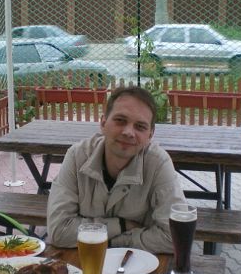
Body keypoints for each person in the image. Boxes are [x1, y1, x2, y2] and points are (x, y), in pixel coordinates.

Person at [47, 86, 187, 253]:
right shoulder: (77, 156)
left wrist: (113, 241)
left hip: (138, 264)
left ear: (150, 135)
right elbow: (58, 231)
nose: (128, 132)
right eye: (120, 120)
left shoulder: (158, 164)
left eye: (140, 126)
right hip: (83, 263)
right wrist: (121, 225)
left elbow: (175, 237)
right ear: (103, 123)